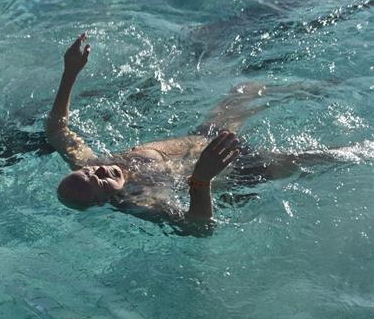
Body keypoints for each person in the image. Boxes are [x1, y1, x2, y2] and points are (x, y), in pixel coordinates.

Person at [46, 34, 334, 230]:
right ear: (102, 202)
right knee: (324, 158)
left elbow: (58, 129)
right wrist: (201, 180)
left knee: (247, 90)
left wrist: (70, 72)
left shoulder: (90, 164)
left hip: (209, 138)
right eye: (97, 181)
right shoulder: (142, 200)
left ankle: (328, 88)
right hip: (236, 171)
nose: (99, 170)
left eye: (90, 170)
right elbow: (198, 226)